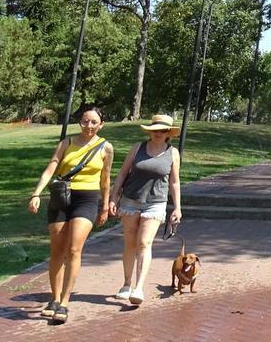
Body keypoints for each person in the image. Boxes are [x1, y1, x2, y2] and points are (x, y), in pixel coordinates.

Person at [27, 107, 113, 323]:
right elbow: (51, 168)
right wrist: (36, 193)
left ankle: (65, 302)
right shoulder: (66, 143)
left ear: (101, 125)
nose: (89, 126)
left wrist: (104, 206)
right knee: (57, 250)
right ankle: (54, 299)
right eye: (85, 121)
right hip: (61, 198)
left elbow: (105, 179)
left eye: (94, 122)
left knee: (74, 248)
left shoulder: (106, 147)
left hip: (87, 200)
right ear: (80, 123)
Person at [109, 113, 182, 306]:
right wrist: (113, 197)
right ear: (150, 131)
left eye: (163, 130)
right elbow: (122, 173)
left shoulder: (172, 152)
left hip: (155, 202)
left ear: (168, 133)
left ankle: (139, 287)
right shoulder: (137, 148)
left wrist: (177, 207)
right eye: (156, 130)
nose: (159, 133)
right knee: (130, 242)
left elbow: (174, 182)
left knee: (144, 242)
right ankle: (126, 284)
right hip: (131, 200)